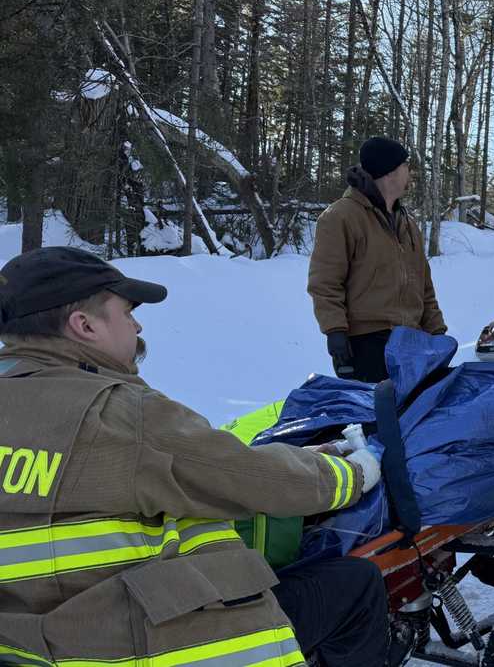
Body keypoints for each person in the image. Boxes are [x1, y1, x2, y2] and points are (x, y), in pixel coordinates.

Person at [0, 246, 389, 666]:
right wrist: (353, 473)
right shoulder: (120, 412)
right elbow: (258, 480)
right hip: (132, 647)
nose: (137, 324)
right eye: (126, 312)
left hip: (29, 647)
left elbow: (172, 464)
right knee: (355, 584)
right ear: (85, 325)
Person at [308, 136, 447, 384]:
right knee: (383, 422)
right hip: (368, 344)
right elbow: (325, 282)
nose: (410, 173)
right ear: (389, 172)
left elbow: (425, 287)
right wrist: (335, 331)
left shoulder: (407, 223)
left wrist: (437, 333)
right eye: (405, 166)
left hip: (412, 342)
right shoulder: (340, 217)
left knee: (416, 421)